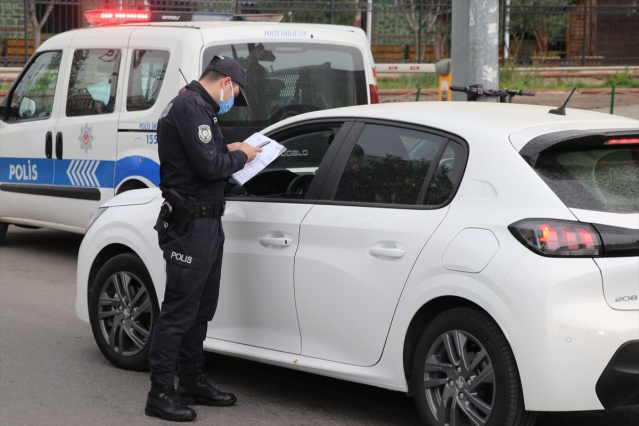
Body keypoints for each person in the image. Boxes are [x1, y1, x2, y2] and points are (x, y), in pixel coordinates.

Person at [144, 56, 262, 422]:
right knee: (179, 311)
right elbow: (209, 166)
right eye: (235, 92)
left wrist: (231, 150)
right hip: (190, 226)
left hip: (208, 223)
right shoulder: (189, 107)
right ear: (226, 82)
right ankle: (160, 392)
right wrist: (241, 156)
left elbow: (207, 156)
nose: (233, 99)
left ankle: (191, 380)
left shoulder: (202, 108)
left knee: (200, 309)